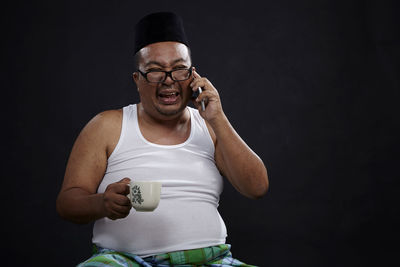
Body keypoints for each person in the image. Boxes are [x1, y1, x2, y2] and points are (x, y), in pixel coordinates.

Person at [56, 12, 269, 267]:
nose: (168, 81)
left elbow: (256, 188)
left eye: (179, 70)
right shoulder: (106, 125)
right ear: (137, 79)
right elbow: (67, 203)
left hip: (209, 260)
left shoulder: (211, 127)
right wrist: (102, 204)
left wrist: (218, 118)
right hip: (123, 261)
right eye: (155, 71)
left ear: (193, 76)